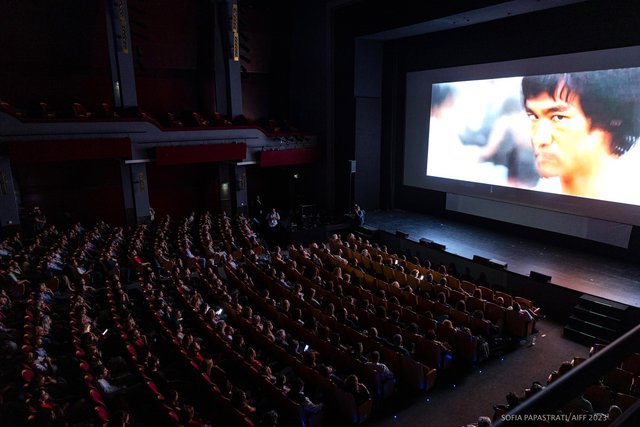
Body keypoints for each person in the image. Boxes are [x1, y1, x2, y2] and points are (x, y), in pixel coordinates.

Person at [522, 69, 640, 202]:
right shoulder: (535, 201)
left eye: (559, 118)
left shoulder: (632, 199)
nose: (539, 138)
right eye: (533, 116)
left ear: (608, 122)